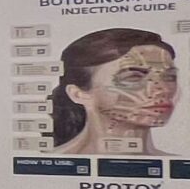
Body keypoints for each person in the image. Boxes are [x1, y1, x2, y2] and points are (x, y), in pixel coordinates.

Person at [48, 27, 178, 155]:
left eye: (169, 77)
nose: (163, 89)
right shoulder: (50, 165)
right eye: (134, 77)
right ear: (79, 94)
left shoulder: (178, 166)